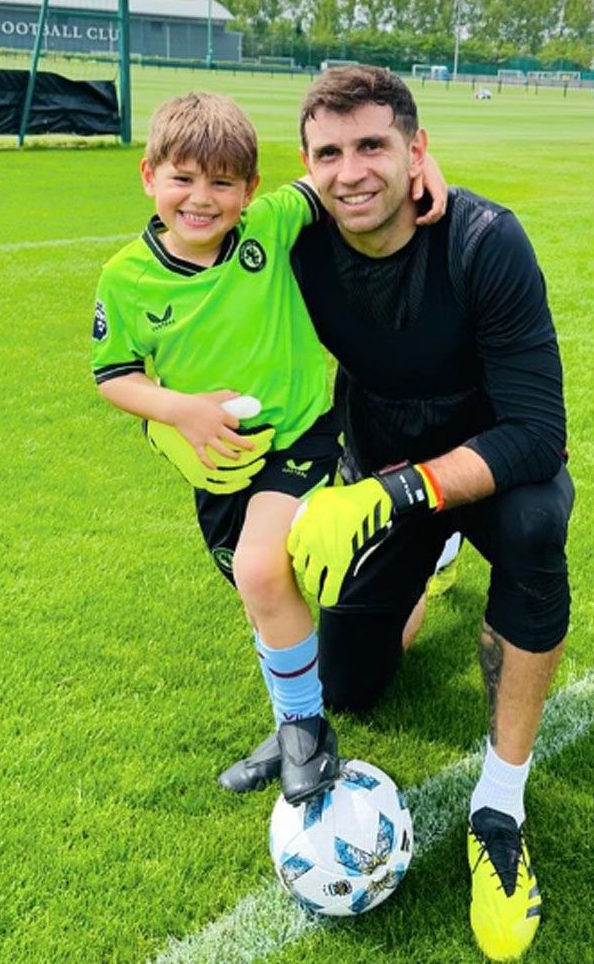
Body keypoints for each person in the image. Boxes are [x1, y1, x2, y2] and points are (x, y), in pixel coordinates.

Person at [287, 66, 574, 961]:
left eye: (373, 145)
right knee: (348, 687)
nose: (351, 171)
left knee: (533, 531)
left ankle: (501, 803)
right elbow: (195, 227)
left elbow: (537, 431)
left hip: (490, 466)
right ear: (305, 170)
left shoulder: (485, 241)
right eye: (328, 154)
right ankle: (418, 571)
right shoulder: (299, 243)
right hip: (381, 460)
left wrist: (401, 492)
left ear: (418, 154)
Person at [90, 92, 445, 804]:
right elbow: (115, 377)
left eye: (223, 182)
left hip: (303, 437)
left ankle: (305, 733)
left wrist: (427, 162)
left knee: (262, 569)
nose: (201, 198)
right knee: (264, 594)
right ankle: (303, 714)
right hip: (223, 462)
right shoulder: (126, 278)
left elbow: (341, 176)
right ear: (148, 175)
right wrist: (180, 410)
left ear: (249, 190)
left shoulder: (270, 225)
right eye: (183, 178)